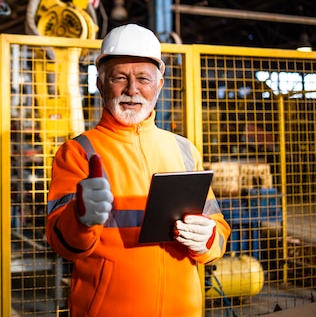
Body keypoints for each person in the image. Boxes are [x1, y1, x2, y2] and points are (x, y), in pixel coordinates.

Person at [46, 23, 230, 317]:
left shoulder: (184, 150)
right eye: (120, 78)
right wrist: (80, 218)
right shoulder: (79, 152)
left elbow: (218, 232)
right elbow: (62, 242)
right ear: (100, 83)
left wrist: (206, 239)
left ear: (159, 84)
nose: (132, 90)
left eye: (143, 78)